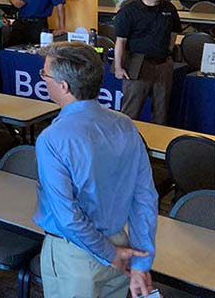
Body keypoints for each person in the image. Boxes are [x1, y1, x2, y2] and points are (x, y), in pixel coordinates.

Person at [34, 41, 157, 298]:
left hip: (75, 255)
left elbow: (68, 216)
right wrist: (141, 263)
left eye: (44, 74)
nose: (42, 79)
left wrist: (109, 254)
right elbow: (144, 197)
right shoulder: (125, 125)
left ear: (64, 86)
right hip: (122, 247)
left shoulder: (52, 138)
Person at [113, 0, 181, 124]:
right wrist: (118, 67)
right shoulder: (129, 11)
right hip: (137, 64)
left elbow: (174, 32)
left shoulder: (169, 9)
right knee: (131, 110)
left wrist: (169, 51)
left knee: (161, 110)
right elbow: (120, 41)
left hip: (163, 64)